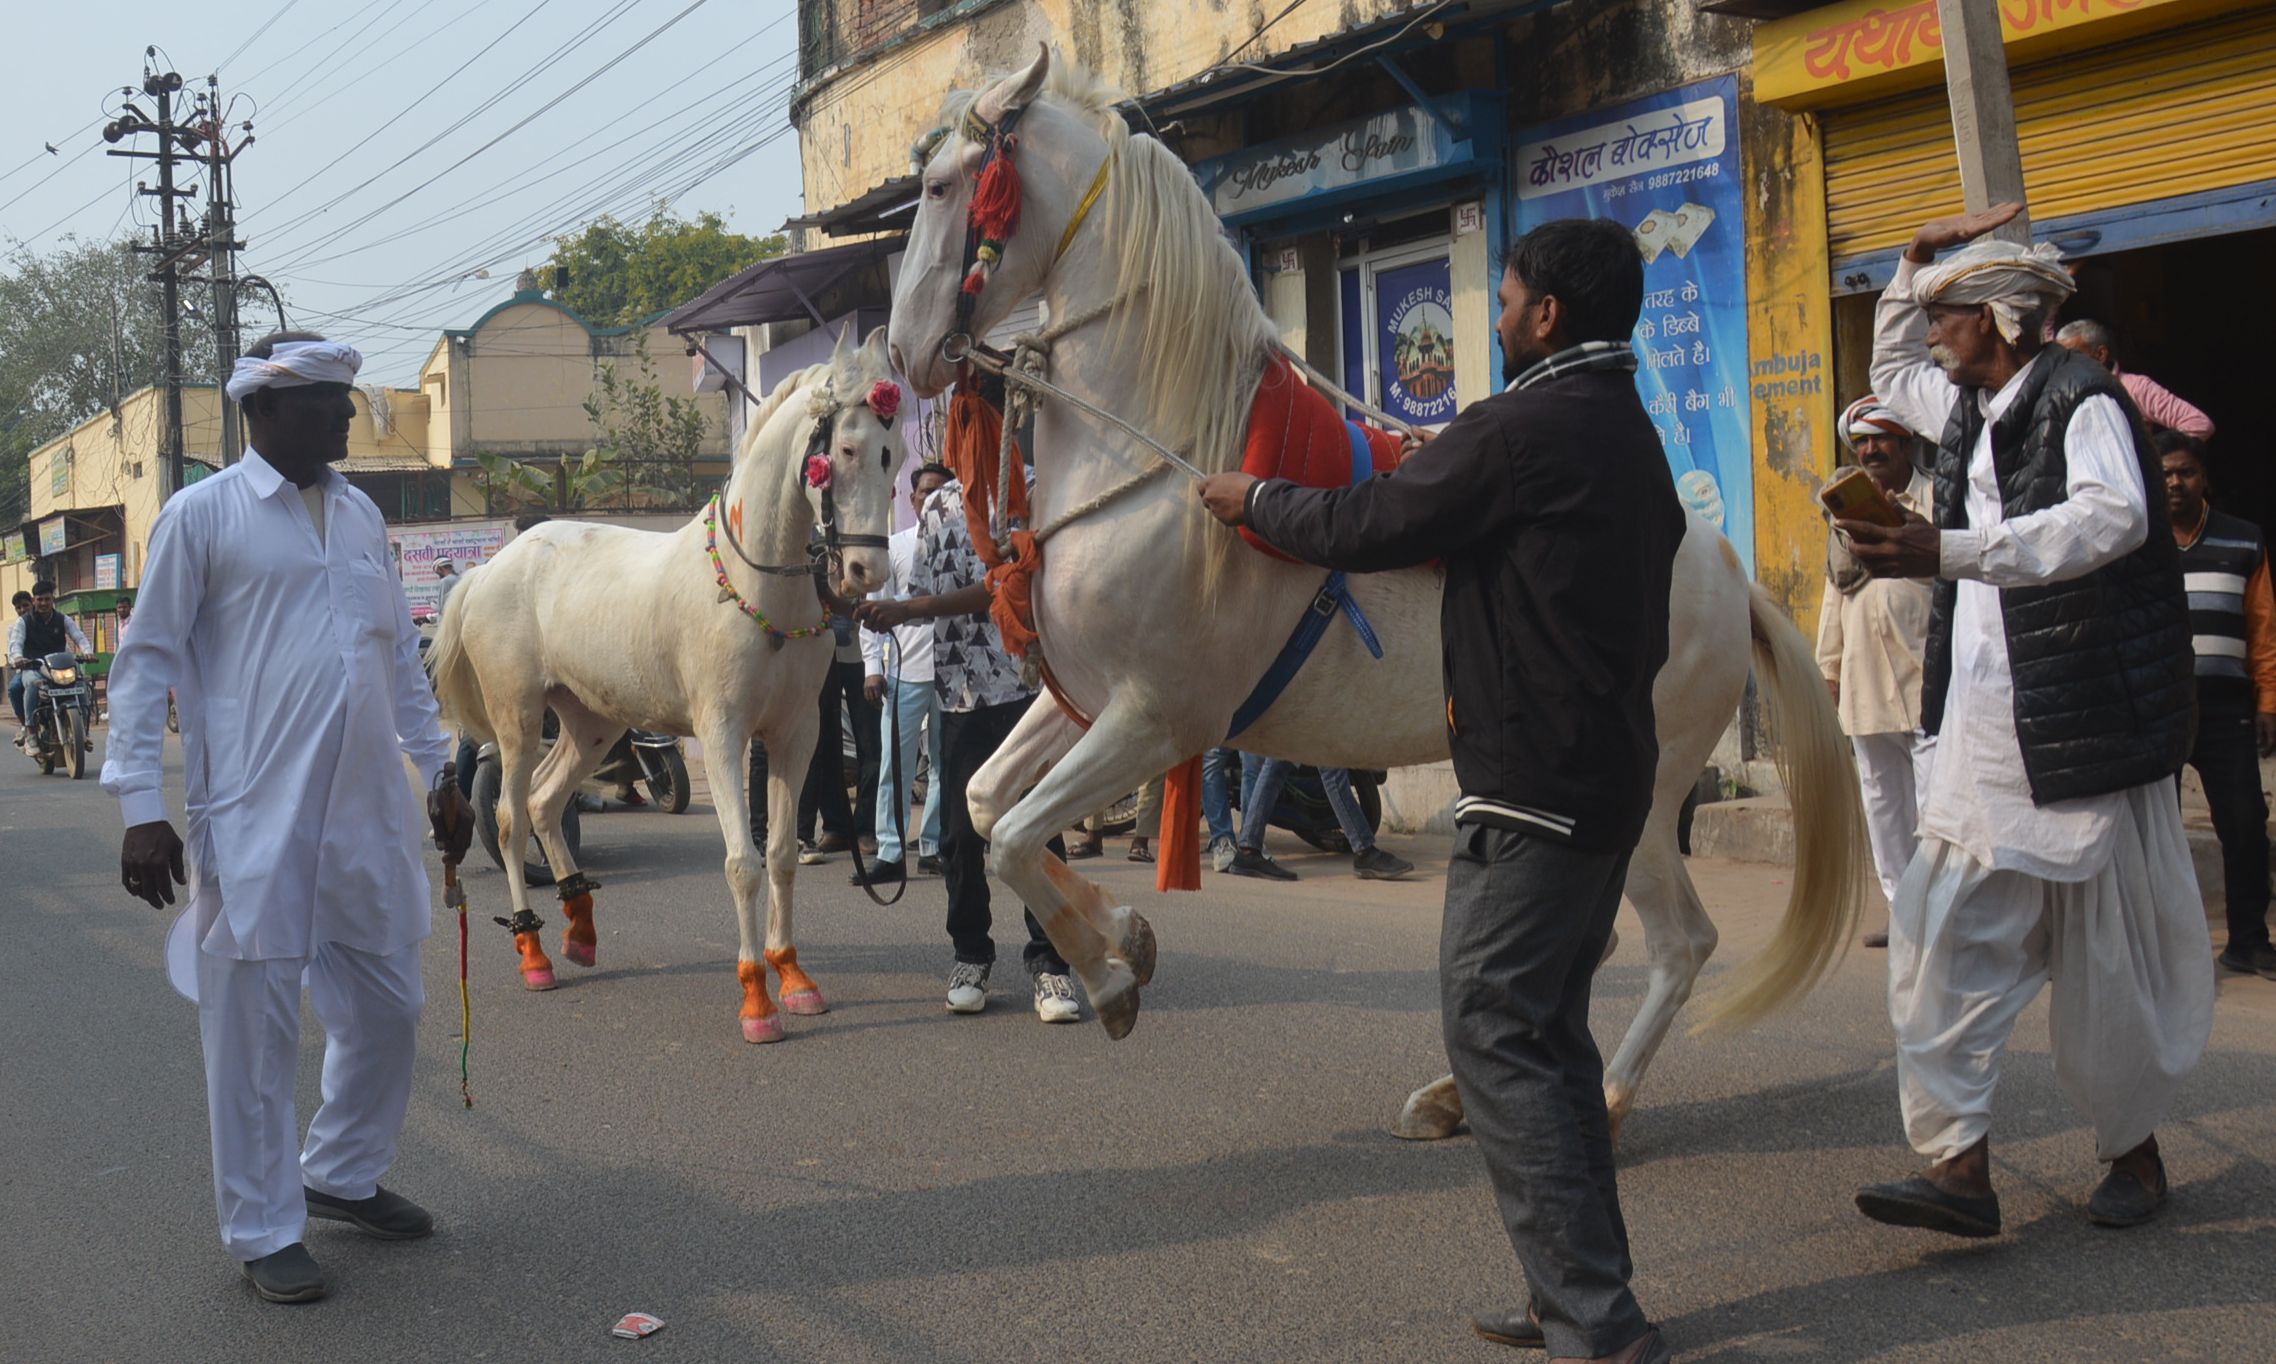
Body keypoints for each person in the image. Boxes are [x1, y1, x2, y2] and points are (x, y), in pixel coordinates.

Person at [1200, 218, 1679, 1364]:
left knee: (1494, 1032)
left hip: (1533, 789)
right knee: (1546, 1041)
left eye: (1506, 296)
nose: (1498, 312)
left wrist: (1251, 498)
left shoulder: (1517, 429)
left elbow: (1369, 524)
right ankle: (1573, 1295)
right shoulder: (1619, 426)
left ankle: (1598, 1324)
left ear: (1546, 315)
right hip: (1601, 776)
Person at [1837, 205, 2212, 1238]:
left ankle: (2132, 1152)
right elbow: (1893, 357)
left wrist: (1947, 550)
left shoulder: (2080, 399)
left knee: (2107, 967)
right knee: (1935, 937)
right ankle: (1958, 1166)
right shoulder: (1969, 401)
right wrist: (1910, 263)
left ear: (1995, 318)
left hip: (2080, 722)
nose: (1931, 326)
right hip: (1983, 730)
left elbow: (2112, 516)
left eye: (1945, 309)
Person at [101, 332, 475, 1305]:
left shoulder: (359, 517)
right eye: (326, 403)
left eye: (346, 401)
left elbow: (394, 657)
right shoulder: (202, 517)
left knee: (389, 1005)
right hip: (252, 816)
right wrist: (142, 806)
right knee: (254, 1033)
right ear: (261, 411)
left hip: (365, 812)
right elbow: (144, 666)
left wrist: (438, 770)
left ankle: (340, 1171)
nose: (348, 417)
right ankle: (264, 1227)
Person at [854, 474, 1082, 1025]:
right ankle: (970, 956)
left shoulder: (1028, 486)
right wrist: (856, 604)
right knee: (958, 838)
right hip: (957, 696)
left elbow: (1003, 584)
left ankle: (1051, 962)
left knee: (1039, 831)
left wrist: (907, 613)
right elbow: (925, 595)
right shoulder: (934, 506)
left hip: (1026, 687)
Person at [1816, 396, 1934, 946]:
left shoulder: (1938, 498)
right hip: (1866, 678)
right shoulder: (1845, 513)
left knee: (1937, 803)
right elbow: (1834, 594)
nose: (1869, 450)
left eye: (1880, 439)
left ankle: (1948, 911)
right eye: (1861, 442)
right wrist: (1829, 668)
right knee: (1883, 801)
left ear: (1905, 443)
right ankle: (1905, 913)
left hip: (1929, 670)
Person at [2158, 430, 2276, 980]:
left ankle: (2248, 941)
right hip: (2158, 710)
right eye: (2164, 475)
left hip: (2227, 708)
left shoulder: (2243, 539)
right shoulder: (2137, 540)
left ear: (2204, 479)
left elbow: (2264, 628)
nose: (2175, 483)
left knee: (2247, 823)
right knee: (2151, 832)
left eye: (2185, 472)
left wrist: (2269, 701)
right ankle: (2156, 947)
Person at [857, 462, 950, 884]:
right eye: (924, 492)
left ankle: (933, 845)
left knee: (945, 766)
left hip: (954, 675)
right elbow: (870, 611)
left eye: (940, 491)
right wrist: (873, 668)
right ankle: (891, 852)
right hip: (906, 672)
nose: (930, 498)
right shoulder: (895, 546)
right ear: (912, 500)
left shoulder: (962, 543)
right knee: (895, 765)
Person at [1226, 757, 1412, 881]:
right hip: (1304, 707)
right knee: (1330, 767)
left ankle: (1248, 849)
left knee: (1277, 766)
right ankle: (1365, 851)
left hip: (1296, 706)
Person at [2056, 319, 2215, 440]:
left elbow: (2199, 424)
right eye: (2061, 359)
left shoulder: (2134, 387)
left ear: (2100, 355)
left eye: (2073, 357)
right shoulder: (2062, 391)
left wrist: (2156, 463)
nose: (2065, 365)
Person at [10, 578, 92, 748]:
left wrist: (87, 651)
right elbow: (16, 643)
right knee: (31, 683)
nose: (43, 603)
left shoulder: (63, 619)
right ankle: (30, 731)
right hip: (34, 666)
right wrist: (18, 657)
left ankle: (83, 729)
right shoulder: (23, 622)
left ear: (52, 599)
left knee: (81, 684)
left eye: (47, 599)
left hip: (60, 666)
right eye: (39, 600)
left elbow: (79, 636)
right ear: (34, 601)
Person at [6, 589, 35, 727]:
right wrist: (17, 661)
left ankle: (82, 729)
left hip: (49, 667)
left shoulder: (43, 620)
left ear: (32, 604)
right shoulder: (13, 628)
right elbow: (13, 649)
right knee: (14, 688)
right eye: (18, 607)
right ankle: (26, 726)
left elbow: (61, 644)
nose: (22, 609)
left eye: (25, 605)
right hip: (25, 669)